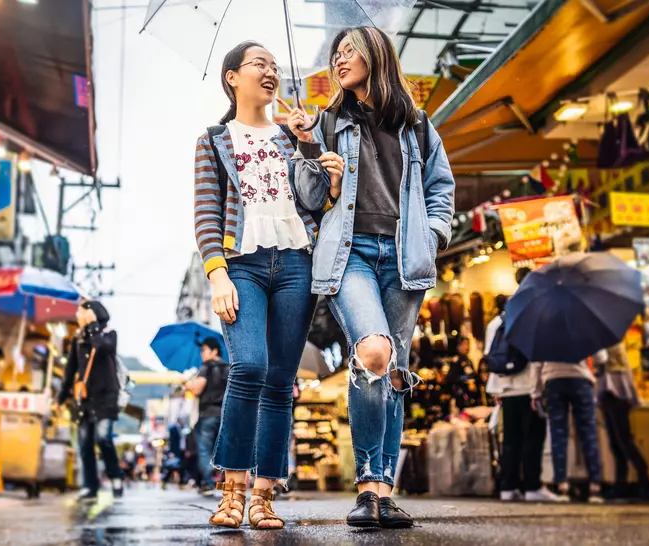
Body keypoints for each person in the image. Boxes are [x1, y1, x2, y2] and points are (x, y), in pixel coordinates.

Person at [285, 26, 455, 529]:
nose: (339, 60)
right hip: (350, 254)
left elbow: (440, 184)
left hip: (406, 258)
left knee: (396, 372)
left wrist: (436, 235)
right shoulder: (326, 120)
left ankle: (384, 490)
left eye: (348, 52)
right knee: (374, 351)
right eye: (335, 54)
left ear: (375, 56)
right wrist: (309, 150)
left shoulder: (417, 123)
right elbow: (310, 200)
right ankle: (365, 484)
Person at [193, 41, 319, 530]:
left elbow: (318, 202)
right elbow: (205, 211)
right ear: (232, 77)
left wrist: (309, 145)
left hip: (296, 262)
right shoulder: (214, 139)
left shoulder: (293, 135)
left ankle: (265, 494)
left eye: (274, 66)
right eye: (259, 64)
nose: (270, 72)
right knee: (248, 366)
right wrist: (216, 271)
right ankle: (232, 489)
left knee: (281, 382)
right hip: (241, 264)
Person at [485, 295, 560, 503]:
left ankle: (508, 487)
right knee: (533, 438)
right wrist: (538, 392)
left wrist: (496, 390)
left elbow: (490, 357)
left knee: (510, 439)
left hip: (505, 389)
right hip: (528, 389)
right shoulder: (531, 322)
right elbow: (537, 360)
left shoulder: (495, 323)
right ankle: (532, 486)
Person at [57, 300, 124, 501]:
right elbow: (71, 369)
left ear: (91, 313)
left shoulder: (108, 333)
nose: (77, 316)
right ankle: (90, 486)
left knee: (103, 438)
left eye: (80, 313)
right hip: (85, 399)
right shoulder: (78, 337)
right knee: (85, 443)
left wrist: (93, 326)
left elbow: (103, 348)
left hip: (106, 396)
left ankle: (115, 476)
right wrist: (61, 398)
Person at [532, 350, 607, 504]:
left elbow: (536, 364)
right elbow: (602, 356)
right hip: (580, 380)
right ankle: (595, 486)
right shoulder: (584, 326)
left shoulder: (543, 328)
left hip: (553, 381)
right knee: (588, 432)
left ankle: (562, 485)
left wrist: (535, 393)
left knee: (558, 434)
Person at [596, 343, 649, 501]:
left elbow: (600, 359)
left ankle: (644, 481)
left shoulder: (607, 340)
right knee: (616, 441)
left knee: (623, 440)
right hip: (612, 392)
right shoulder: (611, 338)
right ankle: (621, 483)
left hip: (615, 392)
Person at [184, 337, 229, 494]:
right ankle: (228, 482)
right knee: (224, 449)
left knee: (204, 450)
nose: (202, 353)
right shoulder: (229, 367)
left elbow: (197, 389)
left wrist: (187, 383)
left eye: (204, 350)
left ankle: (209, 483)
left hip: (208, 413)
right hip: (226, 414)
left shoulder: (206, 367)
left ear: (214, 350)